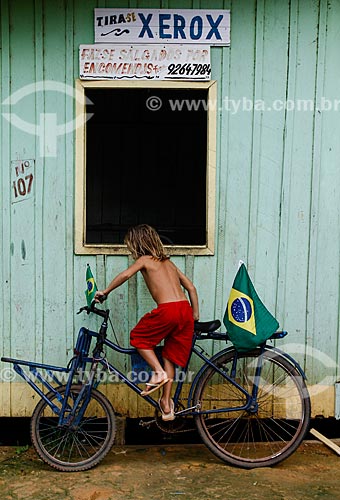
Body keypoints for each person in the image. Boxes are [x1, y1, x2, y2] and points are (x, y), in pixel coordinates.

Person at [95, 224, 199, 421]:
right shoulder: (169, 263)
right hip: (184, 309)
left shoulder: (144, 260)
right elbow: (191, 288)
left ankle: (157, 372)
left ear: (138, 244)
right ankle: (167, 405)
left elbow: (126, 275)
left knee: (139, 337)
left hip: (168, 310)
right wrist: (195, 314)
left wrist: (105, 292)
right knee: (169, 356)